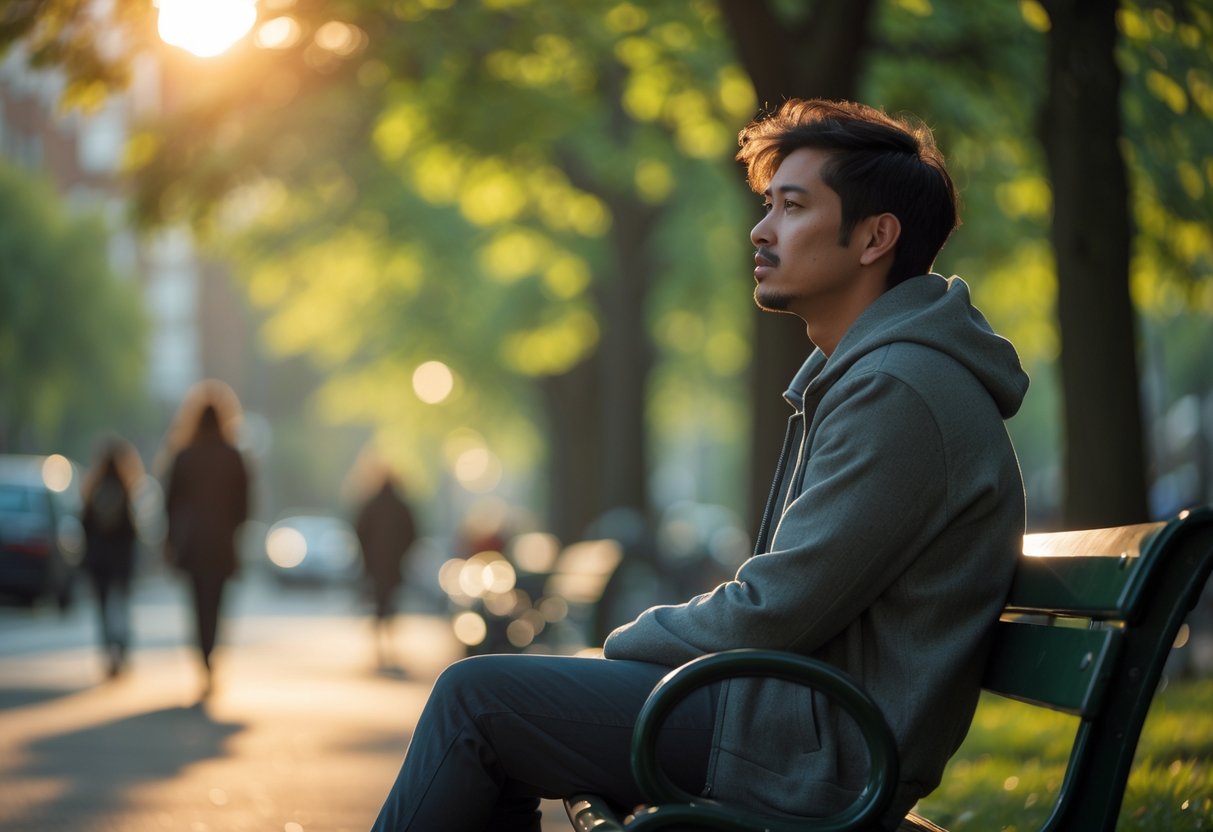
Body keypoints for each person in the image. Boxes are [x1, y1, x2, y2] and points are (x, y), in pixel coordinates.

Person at [369, 99, 1029, 831]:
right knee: (497, 707)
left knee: (477, 700)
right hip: (797, 715)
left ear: (875, 237)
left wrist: (624, 643)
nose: (761, 228)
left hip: (820, 747)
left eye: (792, 206)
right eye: (766, 205)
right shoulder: (878, 376)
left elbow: (777, 606)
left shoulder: (896, 391)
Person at [162, 380, 251, 698]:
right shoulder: (234, 456)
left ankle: (203, 657)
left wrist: (171, 542)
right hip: (222, 545)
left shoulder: (184, 456)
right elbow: (245, 507)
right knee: (217, 604)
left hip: (193, 545)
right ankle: (211, 653)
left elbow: (170, 503)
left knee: (198, 604)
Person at [80, 436, 143, 678]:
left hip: (99, 560)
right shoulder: (126, 489)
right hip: (120, 561)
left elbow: (84, 524)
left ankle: (108, 651)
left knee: (103, 608)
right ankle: (122, 648)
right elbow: (132, 530)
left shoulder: (93, 489)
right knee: (122, 607)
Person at [355, 471, 419, 670]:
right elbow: (413, 532)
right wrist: (402, 554)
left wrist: (367, 557)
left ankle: (381, 649)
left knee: (380, 606)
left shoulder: (371, 504)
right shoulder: (401, 506)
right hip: (393, 565)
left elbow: (359, 531)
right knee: (389, 605)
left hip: (376, 565)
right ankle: (386, 648)